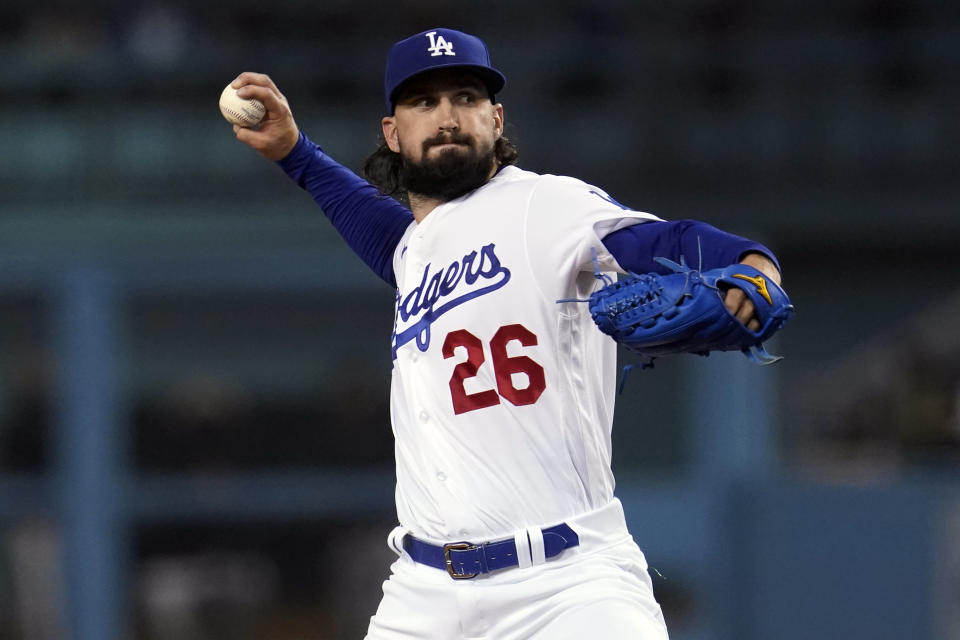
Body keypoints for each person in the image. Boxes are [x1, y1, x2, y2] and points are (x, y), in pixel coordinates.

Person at [229, 27, 782, 640]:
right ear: (393, 131)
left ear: (495, 119)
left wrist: (755, 264)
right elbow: (381, 230)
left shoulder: (546, 206)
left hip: (568, 585)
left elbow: (665, 241)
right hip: (425, 593)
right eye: (423, 102)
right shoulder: (416, 249)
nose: (446, 117)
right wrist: (294, 153)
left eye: (465, 97)